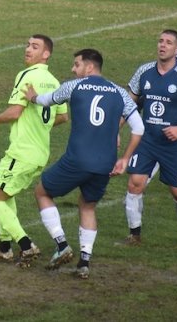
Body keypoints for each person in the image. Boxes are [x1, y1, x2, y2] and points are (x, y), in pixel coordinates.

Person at [25, 48, 144, 280]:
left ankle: (61, 244)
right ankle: (84, 263)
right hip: (105, 164)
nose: (73, 69)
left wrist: (32, 96)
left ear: (89, 67)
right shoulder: (120, 93)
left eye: (76, 64)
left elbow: (47, 100)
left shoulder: (74, 86)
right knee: (87, 205)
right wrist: (125, 158)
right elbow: (139, 128)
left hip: (77, 160)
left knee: (42, 192)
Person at [0, 34, 67, 267]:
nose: (28, 49)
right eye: (28, 45)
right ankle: (4, 247)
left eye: (35, 46)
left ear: (46, 54)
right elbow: (62, 116)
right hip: (39, 152)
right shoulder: (55, 81)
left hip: (21, 151)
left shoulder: (27, 75)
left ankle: (26, 244)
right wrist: (39, 124)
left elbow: (15, 111)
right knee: (6, 193)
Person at [121, 30, 177, 248]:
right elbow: (129, 104)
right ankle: (134, 234)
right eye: (160, 41)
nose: (163, 45)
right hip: (147, 140)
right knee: (135, 184)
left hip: (173, 144)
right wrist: (115, 129)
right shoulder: (144, 71)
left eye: (168, 42)